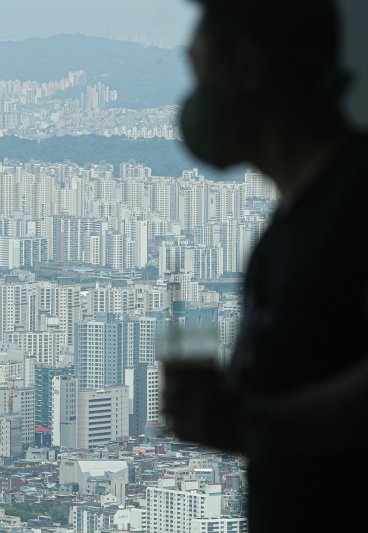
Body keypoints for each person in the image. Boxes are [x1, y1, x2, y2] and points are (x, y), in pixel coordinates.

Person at [162, 0, 368, 531]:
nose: (192, 96)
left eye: (199, 67)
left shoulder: (359, 199)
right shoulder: (286, 231)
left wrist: (258, 425)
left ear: (249, 67)